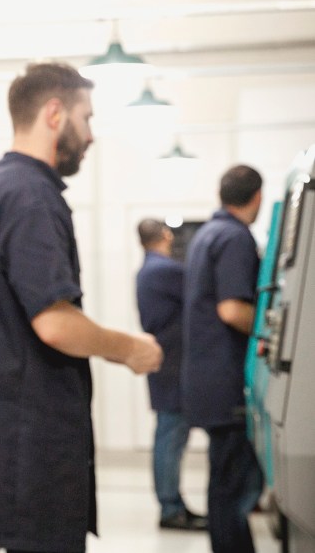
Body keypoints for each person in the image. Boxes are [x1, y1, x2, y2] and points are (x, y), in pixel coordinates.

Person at [0, 61, 163, 553]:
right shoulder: (31, 197)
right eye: (87, 117)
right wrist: (130, 348)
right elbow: (55, 324)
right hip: (30, 444)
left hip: (4, 438)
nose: (91, 135)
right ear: (55, 113)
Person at [183, 165, 266, 553]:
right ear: (258, 197)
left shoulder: (206, 234)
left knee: (224, 482)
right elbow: (232, 310)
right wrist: (270, 332)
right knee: (235, 487)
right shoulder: (235, 237)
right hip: (228, 379)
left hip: (206, 378)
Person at [135, 218, 208, 531]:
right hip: (174, 367)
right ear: (166, 235)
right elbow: (204, 290)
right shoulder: (164, 270)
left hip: (167, 364)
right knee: (171, 436)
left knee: (169, 434)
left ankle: (172, 504)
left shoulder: (148, 269)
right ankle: (170, 508)